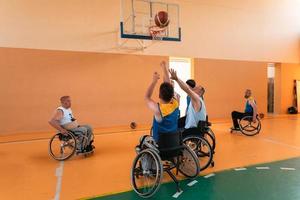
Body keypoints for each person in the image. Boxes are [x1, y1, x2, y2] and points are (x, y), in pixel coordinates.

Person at [145, 61, 180, 142]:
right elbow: (169, 85)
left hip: (160, 145)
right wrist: (164, 67)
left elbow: (147, 97)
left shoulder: (158, 109)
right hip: (174, 142)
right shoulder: (176, 103)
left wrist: (154, 81)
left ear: (159, 96)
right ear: (172, 95)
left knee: (142, 142)